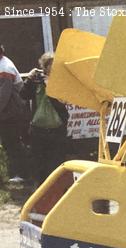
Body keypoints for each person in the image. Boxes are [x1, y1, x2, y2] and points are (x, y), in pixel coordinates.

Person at [20, 53, 69, 183]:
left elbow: (63, 102)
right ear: (44, 67)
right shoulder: (37, 81)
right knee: (39, 166)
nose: (52, 70)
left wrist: (50, 86)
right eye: (49, 66)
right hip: (38, 130)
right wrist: (29, 79)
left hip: (56, 129)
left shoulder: (62, 82)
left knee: (56, 164)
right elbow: (23, 95)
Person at [0, 44, 28, 184]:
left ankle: (20, 173)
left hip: (10, 113)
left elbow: (3, 97)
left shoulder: (5, 68)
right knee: (10, 143)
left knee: (13, 143)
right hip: (7, 113)